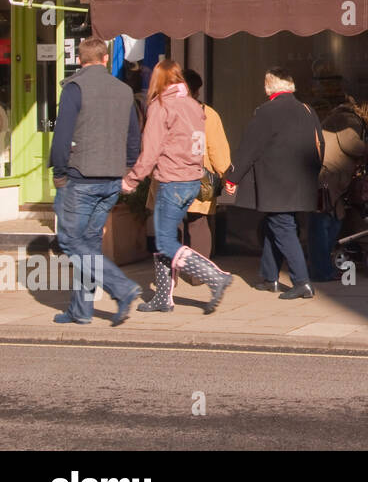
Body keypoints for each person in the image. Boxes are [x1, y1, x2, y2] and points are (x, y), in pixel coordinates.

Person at [122, 60, 234, 314]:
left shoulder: (161, 106)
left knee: (164, 240)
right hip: (192, 181)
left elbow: (150, 151)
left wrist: (131, 180)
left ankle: (215, 277)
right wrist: (225, 174)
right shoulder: (196, 107)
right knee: (169, 236)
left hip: (171, 181)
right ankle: (163, 298)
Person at [48, 37, 142, 326]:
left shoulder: (75, 87)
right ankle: (81, 310)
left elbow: (62, 135)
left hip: (81, 178)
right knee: (88, 244)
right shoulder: (124, 90)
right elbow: (134, 137)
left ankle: (122, 288)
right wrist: (126, 168)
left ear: (80, 60)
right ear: (104, 60)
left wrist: (59, 173)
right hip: (112, 180)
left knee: (70, 240)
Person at [227, 67, 324, 300]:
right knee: (276, 224)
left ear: (269, 86)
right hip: (301, 181)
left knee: (283, 227)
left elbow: (249, 148)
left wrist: (232, 178)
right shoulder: (307, 110)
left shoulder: (267, 111)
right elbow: (320, 143)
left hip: (276, 182)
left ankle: (302, 282)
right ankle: (269, 277)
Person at [315, 97, 368, 279]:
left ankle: (324, 266)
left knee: (334, 220)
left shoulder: (347, 119)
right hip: (327, 178)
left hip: (332, 178)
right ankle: (321, 270)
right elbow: (352, 146)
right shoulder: (349, 120)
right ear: (367, 112)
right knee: (324, 222)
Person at [181, 69, 231, 258]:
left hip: (168, 178)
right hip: (199, 179)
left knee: (170, 226)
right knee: (198, 223)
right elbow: (217, 150)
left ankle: (170, 275)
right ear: (195, 91)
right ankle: (198, 274)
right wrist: (226, 175)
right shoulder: (208, 114)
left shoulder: (163, 109)